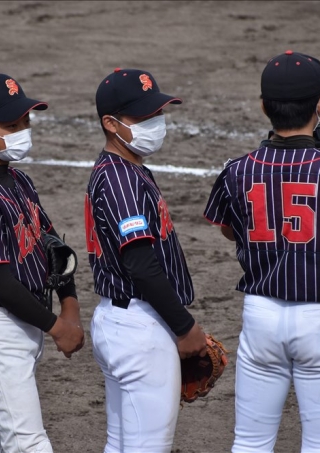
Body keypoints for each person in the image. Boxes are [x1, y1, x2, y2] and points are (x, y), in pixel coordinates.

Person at [203, 50, 320, 453]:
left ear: (263, 106)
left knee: (250, 443)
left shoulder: (237, 170)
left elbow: (228, 230)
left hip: (261, 319)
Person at [0, 73, 85, 453]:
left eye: (25, 121)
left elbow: (55, 247)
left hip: (24, 322)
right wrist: (57, 327)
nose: (23, 130)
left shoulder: (20, 181)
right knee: (28, 442)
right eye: (11, 125)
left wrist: (70, 305)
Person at [84, 68, 208, 453]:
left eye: (158, 112)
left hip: (123, 321)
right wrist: (184, 327)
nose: (156, 122)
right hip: (140, 326)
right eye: (144, 116)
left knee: (122, 443)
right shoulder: (121, 179)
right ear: (111, 124)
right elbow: (140, 263)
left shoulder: (124, 169)